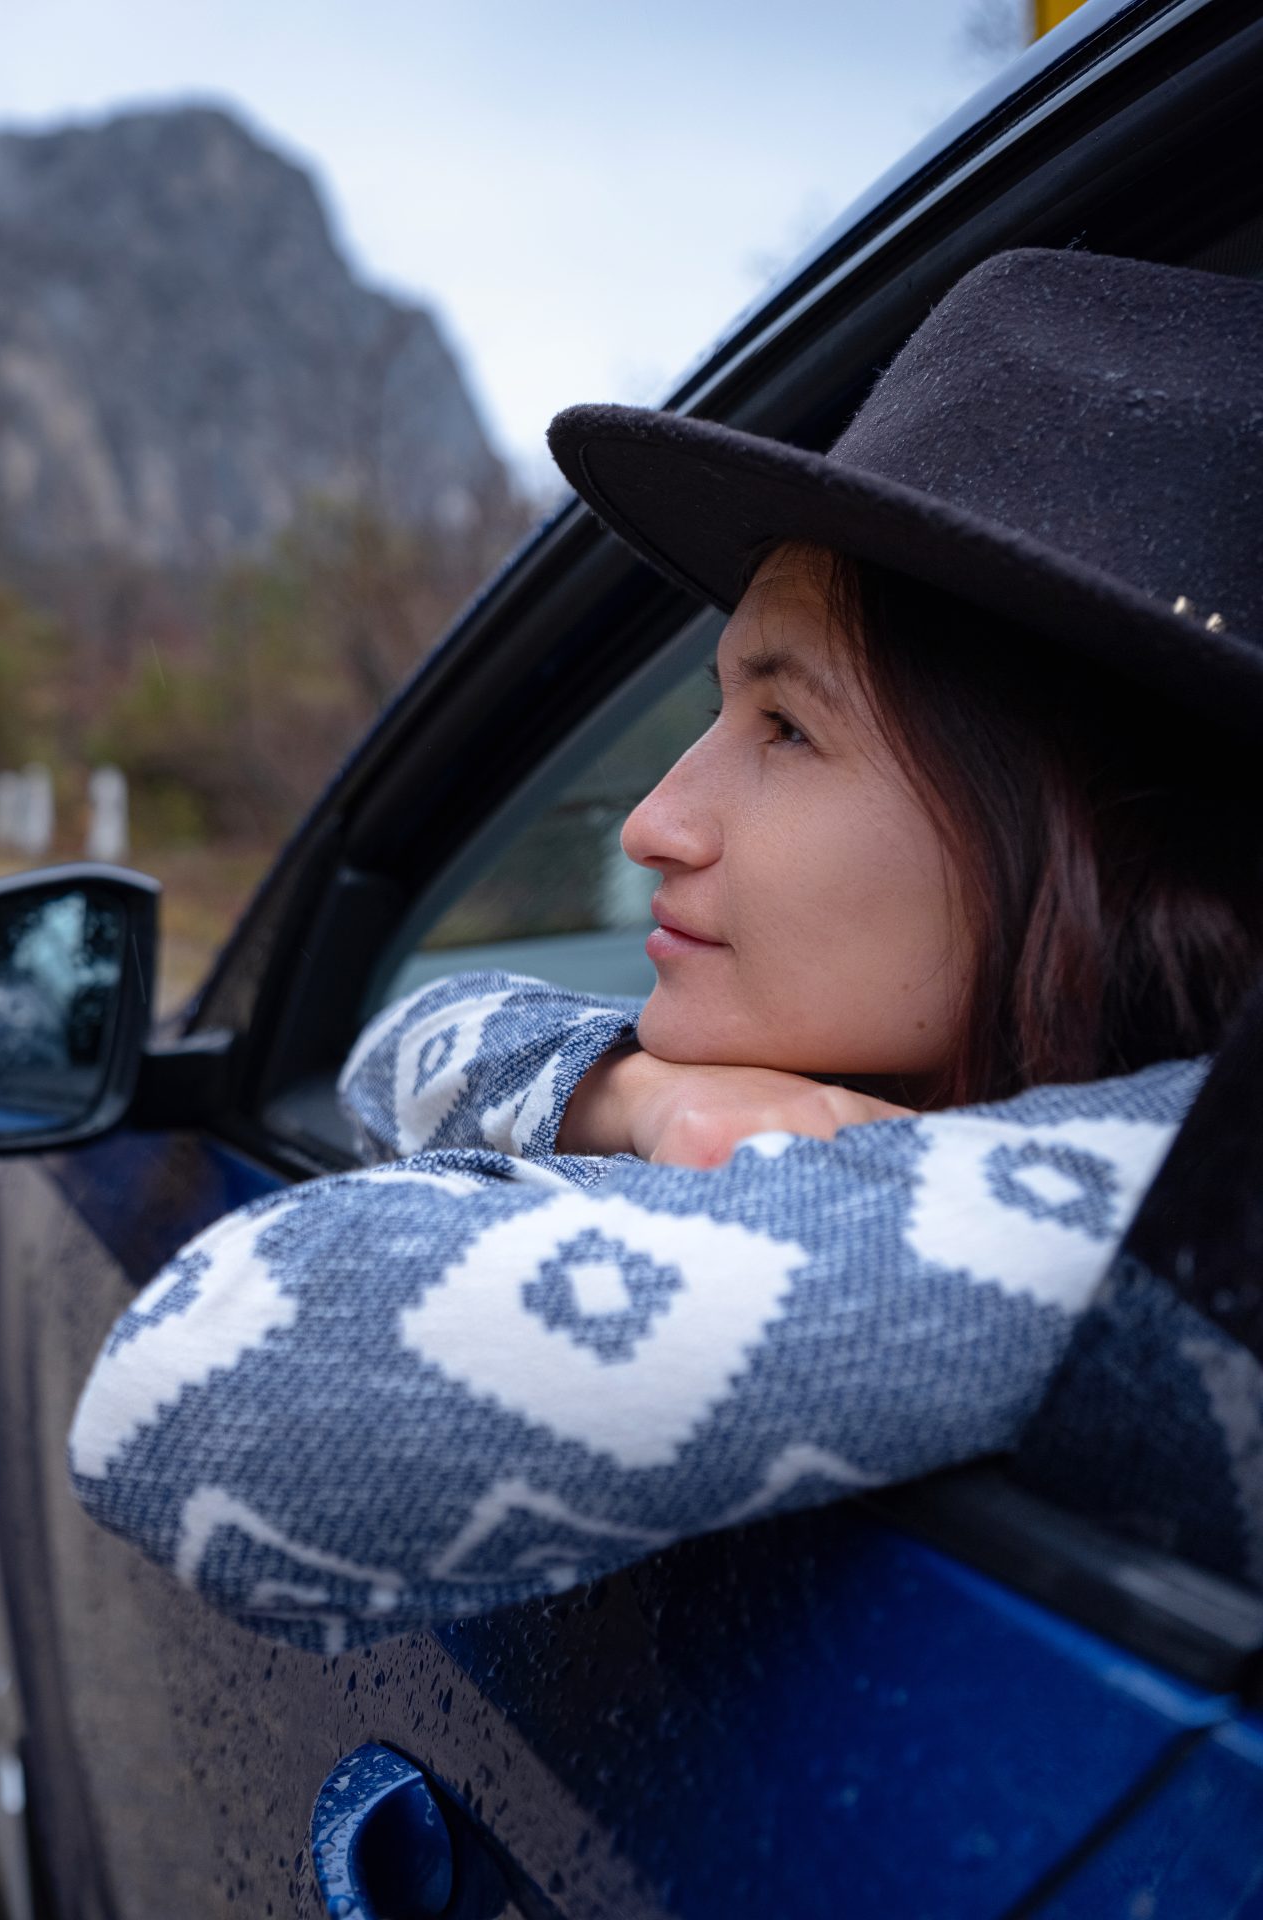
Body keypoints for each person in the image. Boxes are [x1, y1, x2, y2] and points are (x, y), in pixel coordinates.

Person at [68, 248, 1263, 1650]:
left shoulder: (1161, 1216)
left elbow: (191, 1385)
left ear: (1101, 833)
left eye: (789, 728)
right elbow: (408, 1041)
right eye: (717, 712)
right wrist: (642, 1096)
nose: (651, 824)